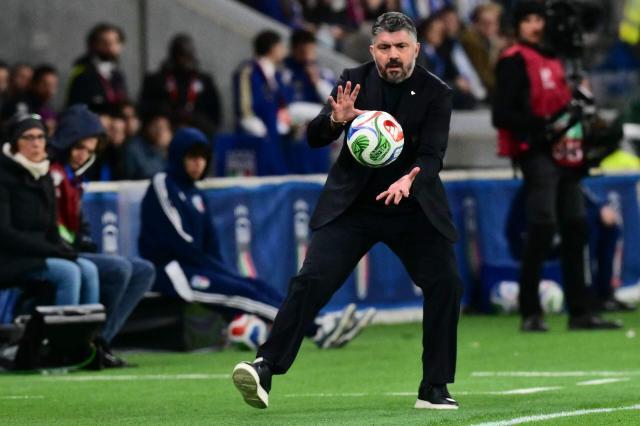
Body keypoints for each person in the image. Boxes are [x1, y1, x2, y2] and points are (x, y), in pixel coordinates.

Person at [233, 12, 463, 410]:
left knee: (446, 284)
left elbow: (432, 154)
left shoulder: (435, 92)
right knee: (310, 282)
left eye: (401, 46)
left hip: (411, 204)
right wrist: (335, 121)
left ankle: (434, 388)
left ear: (416, 49)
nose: (393, 55)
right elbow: (314, 136)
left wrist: (410, 180)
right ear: (373, 50)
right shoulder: (353, 80)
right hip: (354, 206)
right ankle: (265, 367)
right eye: (385, 47)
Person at [138, 128, 373, 349]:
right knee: (243, 292)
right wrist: (215, 271)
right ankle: (317, 329)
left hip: (198, 267)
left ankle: (319, 319)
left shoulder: (196, 195)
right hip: (174, 272)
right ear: (178, 157)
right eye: (191, 157)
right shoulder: (164, 184)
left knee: (254, 286)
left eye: (202, 157)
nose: (198, 163)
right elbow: (178, 241)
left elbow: (211, 246)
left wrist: (221, 271)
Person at [492, 1, 622, 332]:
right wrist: (543, 126)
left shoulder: (556, 59)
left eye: (539, 19)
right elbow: (501, 114)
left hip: (567, 151)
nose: (535, 26)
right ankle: (530, 311)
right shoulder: (513, 60)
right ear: (517, 26)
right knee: (542, 226)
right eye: (528, 20)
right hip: (536, 151)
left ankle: (580, 311)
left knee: (576, 226)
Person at [49, 105, 155, 367]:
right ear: (65, 142)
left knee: (144, 270)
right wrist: (76, 242)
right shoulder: (52, 175)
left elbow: (79, 225)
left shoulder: (74, 178)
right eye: (79, 148)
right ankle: (86, 344)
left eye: (89, 151)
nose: (83, 155)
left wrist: (83, 238)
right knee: (118, 269)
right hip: (56, 253)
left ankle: (100, 341)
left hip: (71, 251)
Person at [0, 113, 99, 306]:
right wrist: (52, 250)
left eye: (40, 137)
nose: (36, 144)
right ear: (15, 143)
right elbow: (5, 233)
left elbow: (51, 226)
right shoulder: (4, 177)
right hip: (12, 258)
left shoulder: (44, 176)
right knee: (69, 273)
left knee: (89, 270)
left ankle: (88, 326)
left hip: (40, 253)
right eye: (28, 137)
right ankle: (64, 327)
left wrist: (64, 249)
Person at [139, 34, 222, 136]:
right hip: (167, 127)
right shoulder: (155, 80)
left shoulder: (205, 81)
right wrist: (169, 111)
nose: (183, 60)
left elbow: (215, 115)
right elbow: (145, 109)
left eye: (188, 55)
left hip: (197, 126)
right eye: (181, 54)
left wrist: (192, 118)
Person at [233, 30, 291, 175]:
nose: (284, 51)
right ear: (272, 48)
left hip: (273, 129)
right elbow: (244, 102)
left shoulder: (278, 74)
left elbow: (283, 102)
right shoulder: (248, 70)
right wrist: (250, 120)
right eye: (281, 46)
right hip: (254, 128)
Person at [66, 23, 128, 109]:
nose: (110, 47)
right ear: (93, 44)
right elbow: (76, 106)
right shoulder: (82, 71)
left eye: (115, 42)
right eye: (105, 42)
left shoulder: (117, 74)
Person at [461, 2, 506, 99]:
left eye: (493, 23)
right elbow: (487, 78)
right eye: (484, 23)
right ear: (476, 24)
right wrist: (495, 50)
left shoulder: (499, 42)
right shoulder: (471, 42)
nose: (489, 27)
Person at [2, 65, 59, 135]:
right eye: (45, 84)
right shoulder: (20, 103)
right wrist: (43, 124)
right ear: (34, 84)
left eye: (53, 85)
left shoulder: (49, 109)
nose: (50, 90)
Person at [124, 109, 173, 180]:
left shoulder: (170, 149)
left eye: (164, 128)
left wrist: (167, 149)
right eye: (156, 127)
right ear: (147, 126)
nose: (160, 132)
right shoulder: (134, 148)